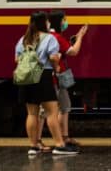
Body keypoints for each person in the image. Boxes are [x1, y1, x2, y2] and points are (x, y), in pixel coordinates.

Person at [15, 11, 77, 156]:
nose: (49, 23)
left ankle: (33, 146)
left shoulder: (24, 39)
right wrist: (56, 67)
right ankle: (59, 145)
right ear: (44, 23)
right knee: (51, 112)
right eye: (47, 21)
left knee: (32, 113)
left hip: (27, 78)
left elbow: (17, 60)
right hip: (43, 77)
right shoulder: (49, 38)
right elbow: (54, 57)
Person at [46, 10, 88, 151]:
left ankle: (63, 138)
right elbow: (73, 52)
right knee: (60, 108)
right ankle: (60, 141)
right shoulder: (56, 37)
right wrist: (80, 37)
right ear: (59, 21)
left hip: (56, 77)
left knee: (63, 107)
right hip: (56, 77)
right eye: (64, 20)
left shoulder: (52, 36)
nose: (65, 22)